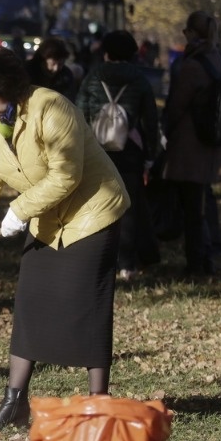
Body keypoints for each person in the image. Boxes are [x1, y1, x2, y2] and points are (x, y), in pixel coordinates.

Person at [0, 45, 130, 430]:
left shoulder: (51, 108)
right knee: (30, 306)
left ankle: (97, 407)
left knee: (88, 306)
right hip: (47, 218)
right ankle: (15, 402)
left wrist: (21, 209)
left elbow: (66, 175)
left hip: (92, 214)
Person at [76, 30, 161, 280]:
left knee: (96, 202)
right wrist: (150, 155)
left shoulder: (93, 78)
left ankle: (98, 259)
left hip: (96, 148)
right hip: (130, 149)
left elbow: (80, 113)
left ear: (106, 52)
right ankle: (127, 263)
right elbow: (150, 120)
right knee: (129, 206)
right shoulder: (139, 79)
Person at [161, 11, 221, 277]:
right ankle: (208, 256)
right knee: (202, 203)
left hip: (190, 146)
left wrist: (165, 130)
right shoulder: (220, 60)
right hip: (210, 143)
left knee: (192, 209)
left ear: (193, 33)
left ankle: (197, 264)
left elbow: (177, 105)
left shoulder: (192, 65)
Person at [25, 36, 77, 101]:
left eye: (60, 64)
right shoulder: (27, 71)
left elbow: (69, 98)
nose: (56, 68)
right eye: (53, 64)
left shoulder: (66, 75)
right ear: (43, 59)